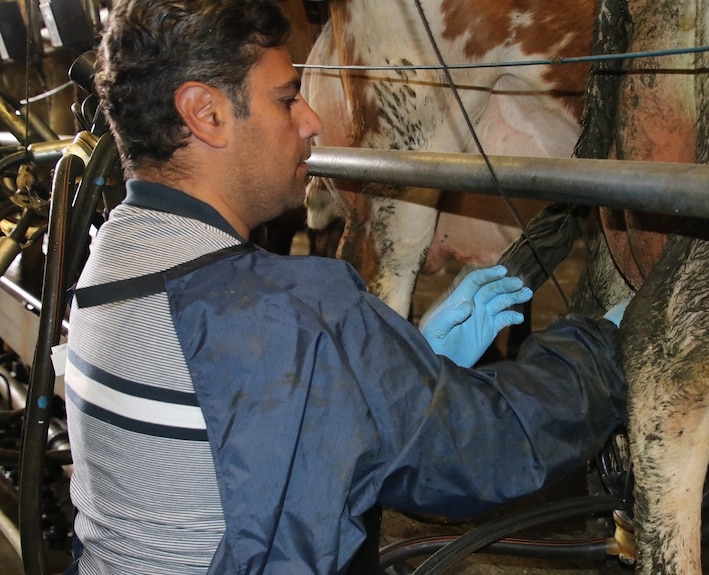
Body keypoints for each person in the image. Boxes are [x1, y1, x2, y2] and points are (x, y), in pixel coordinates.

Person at [62, 0, 629, 573]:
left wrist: (401, 369)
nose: (311, 120)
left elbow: (256, 440)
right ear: (204, 112)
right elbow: (495, 445)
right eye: (286, 99)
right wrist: (600, 348)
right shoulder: (294, 315)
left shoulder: (108, 261)